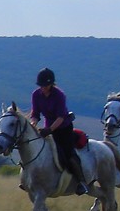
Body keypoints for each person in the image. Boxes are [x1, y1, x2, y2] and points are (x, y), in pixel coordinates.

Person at [29, 67, 87, 195]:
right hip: (47, 128)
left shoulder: (59, 95)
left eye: (46, 85)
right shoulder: (36, 95)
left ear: (51, 84)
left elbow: (61, 117)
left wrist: (49, 130)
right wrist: (33, 124)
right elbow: (35, 114)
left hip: (63, 128)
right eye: (41, 85)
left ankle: (81, 182)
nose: (43, 88)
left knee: (68, 154)